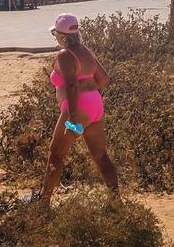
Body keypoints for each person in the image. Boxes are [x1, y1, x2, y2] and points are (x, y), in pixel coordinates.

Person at [39, 13, 119, 207]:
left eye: (56, 35)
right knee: (100, 155)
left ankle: (43, 203)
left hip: (77, 111)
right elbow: (105, 80)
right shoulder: (86, 52)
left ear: (62, 36)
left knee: (56, 155)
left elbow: (72, 87)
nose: (56, 38)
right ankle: (117, 201)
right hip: (95, 107)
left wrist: (73, 119)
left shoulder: (65, 55)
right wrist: (88, 87)